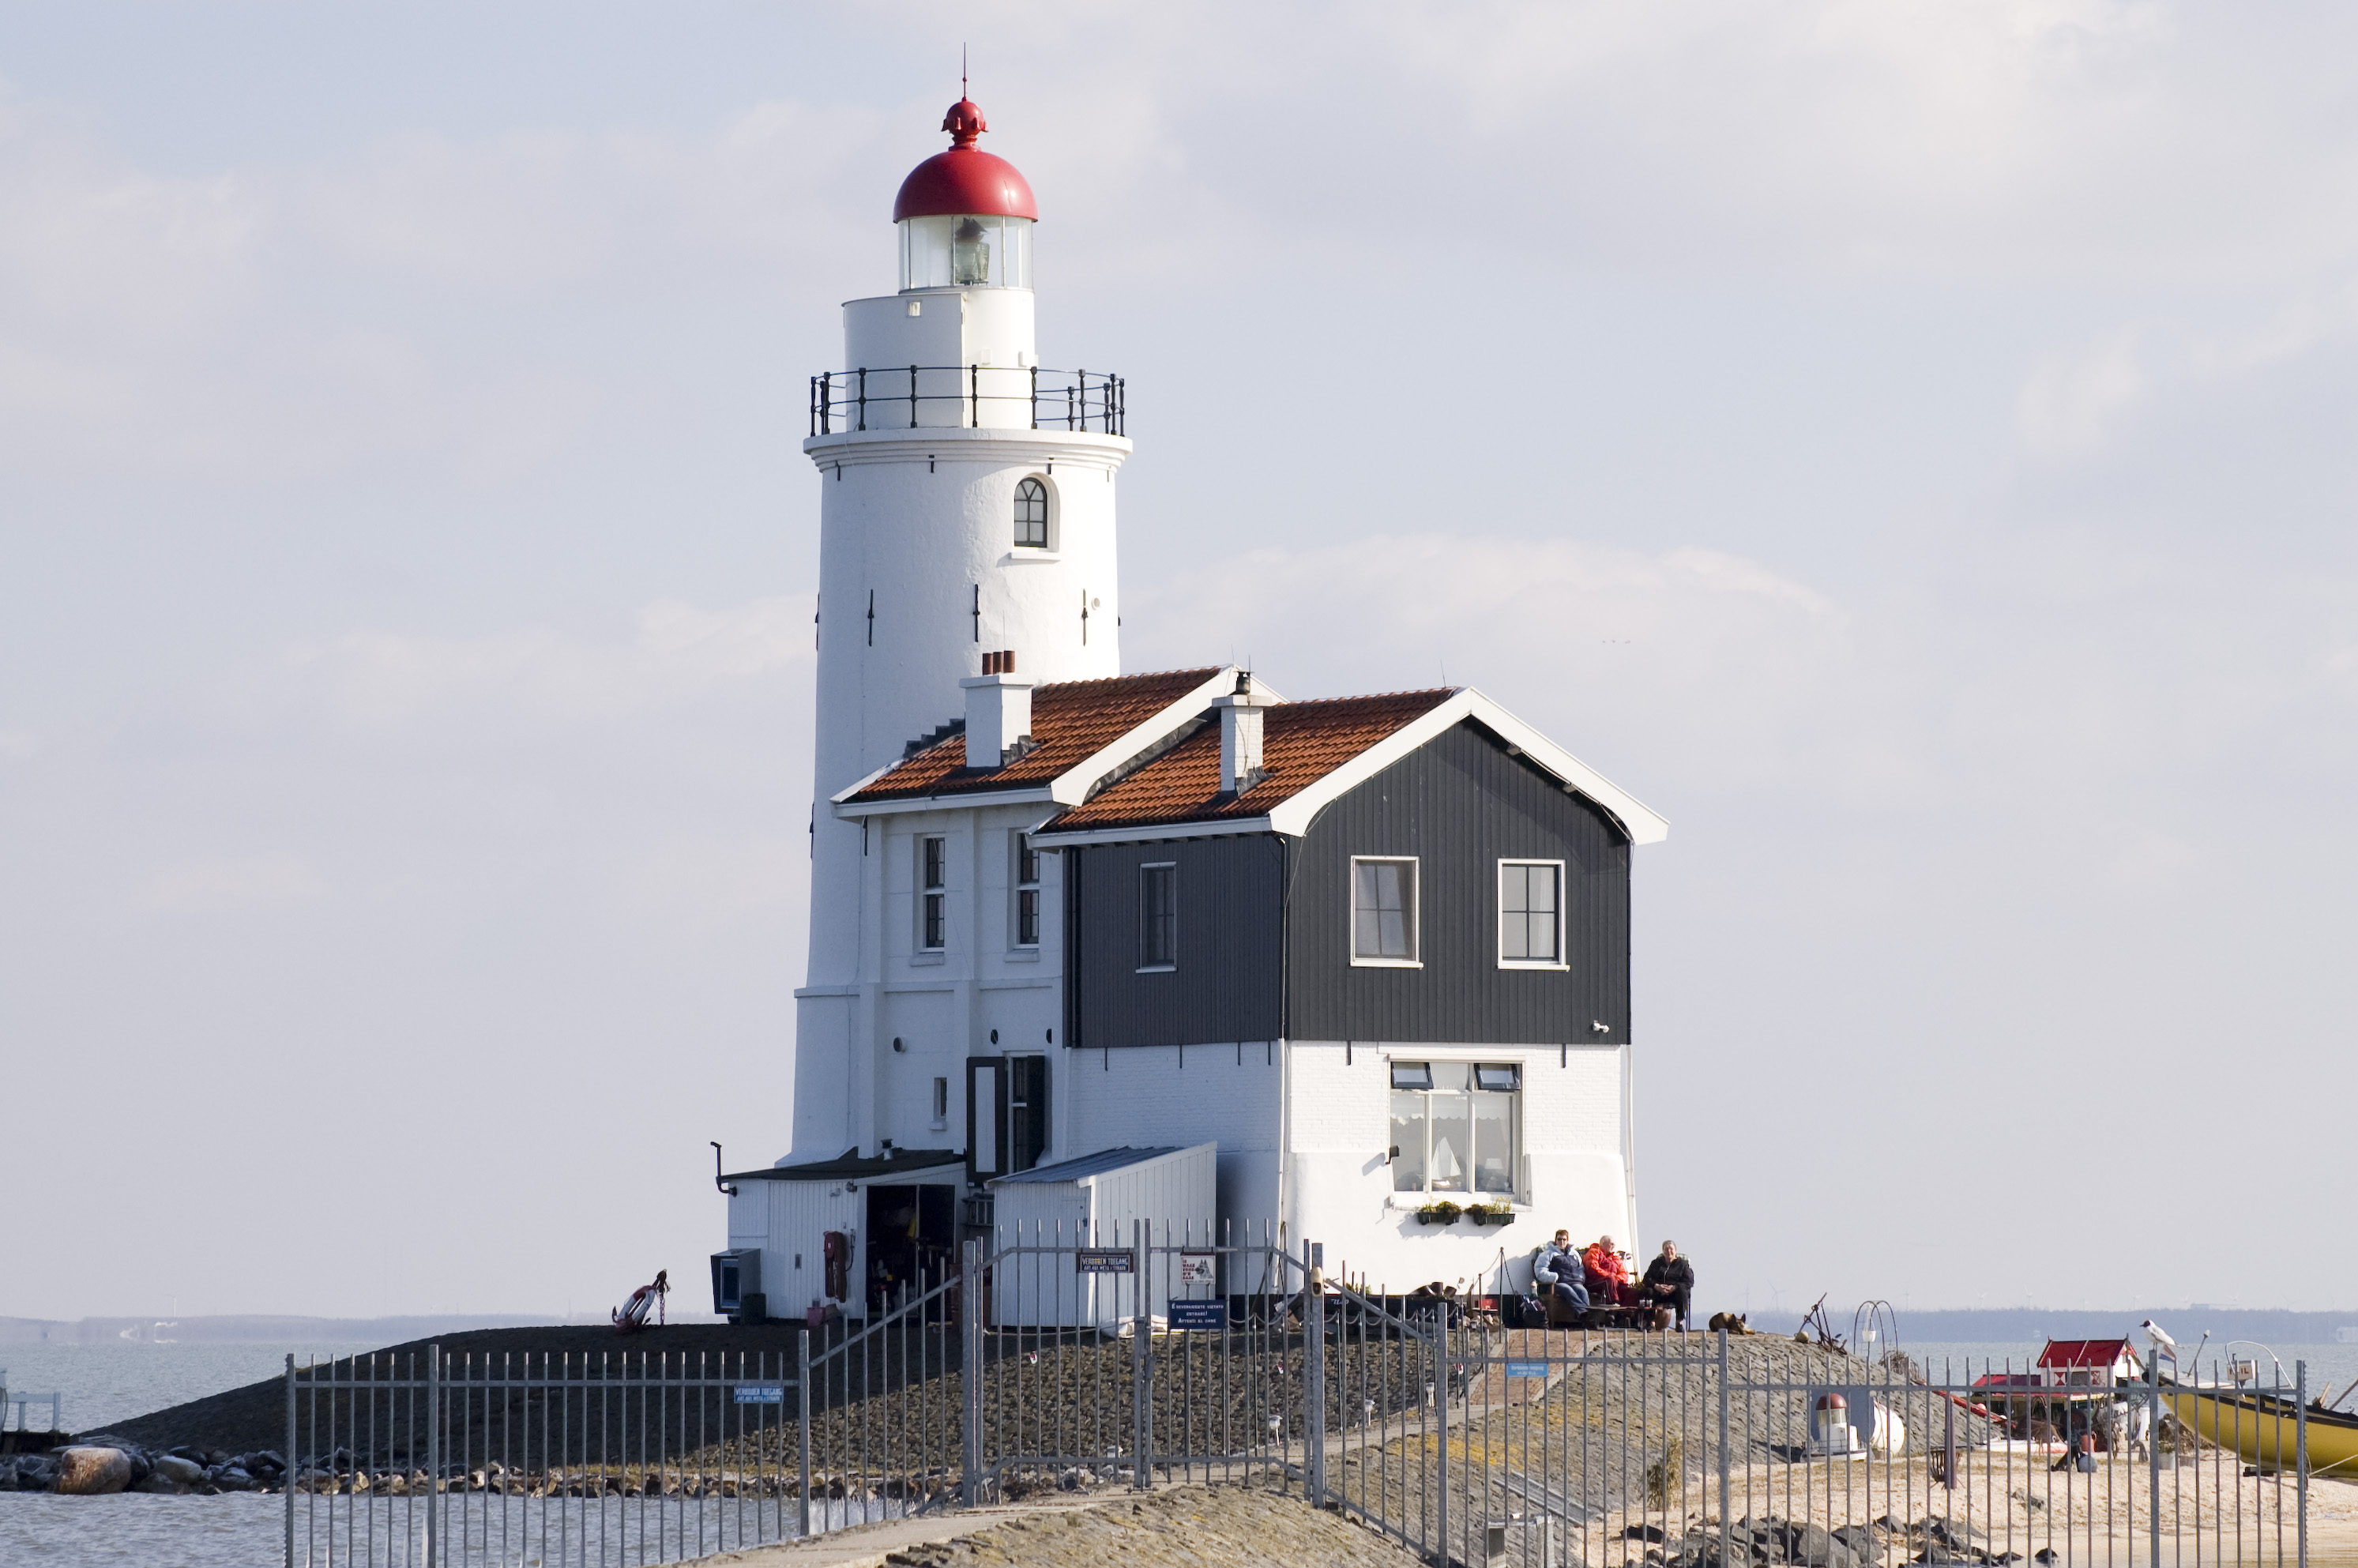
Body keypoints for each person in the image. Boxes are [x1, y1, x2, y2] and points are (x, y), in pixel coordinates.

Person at [1641, 1240, 1695, 1330]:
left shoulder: (1683, 1265)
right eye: (1666, 1249)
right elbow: (1647, 1278)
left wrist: (1674, 1287)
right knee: (1648, 1291)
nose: (1669, 1251)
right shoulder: (1656, 1263)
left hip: (1675, 1293)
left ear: (1675, 1251)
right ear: (1663, 1251)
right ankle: (1651, 1322)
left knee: (1683, 1291)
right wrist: (1657, 1286)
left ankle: (1679, 1322)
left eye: (1671, 1249)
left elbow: (1689, 1281)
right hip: (1658, 1292)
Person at [1533, 1230, 1590, 1316]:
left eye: (1564, 1240)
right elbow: (1539, 1271)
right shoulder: (1548, 1254)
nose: (1562, 1242)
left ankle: (1586, 1316)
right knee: (1567, 1290)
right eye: (1559, 1239)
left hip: (1574, 1281)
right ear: (1556, 1240)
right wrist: (1555, 1277)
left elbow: (1580, 1268)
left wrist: (1581, 1278)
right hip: (1558, 1283)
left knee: (1583, 1291)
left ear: (1567, 1241)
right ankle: (1583, 1314)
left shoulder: (1574, 1254)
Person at [1582, 1235, 1634, 1308]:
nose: (1614, 1246)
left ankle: (1629, 1312)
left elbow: (1624, 1273)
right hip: (1594, 1282)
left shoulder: (1615, 1258)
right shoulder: (1594, 1252)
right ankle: (1612, 1303)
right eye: (1611, 1244)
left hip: (1613, 1282)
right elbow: (1592, 1268)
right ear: (1603, 1244)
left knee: (1630, 1291)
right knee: (1609, 1280)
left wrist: (1617, 1279)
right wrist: (1609, 1276)